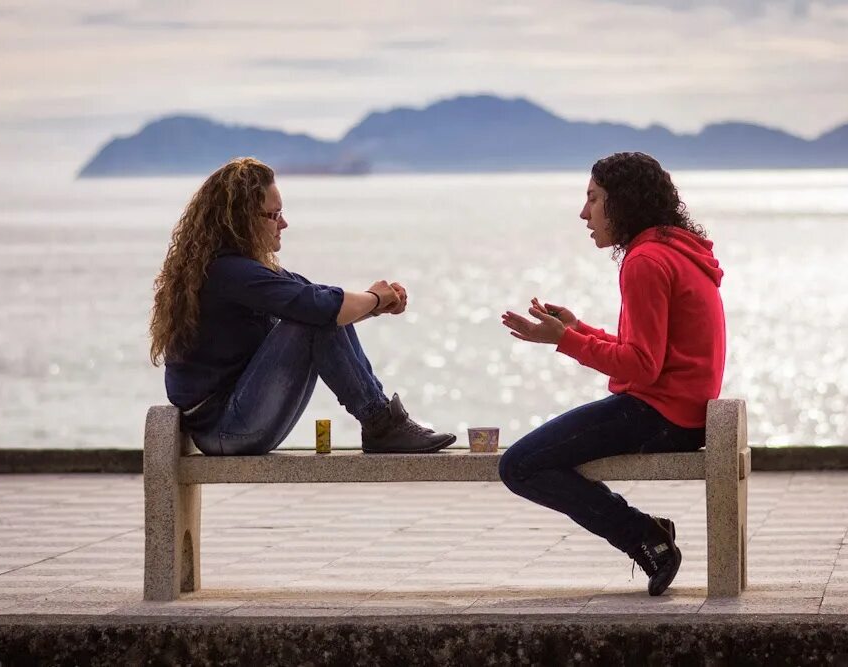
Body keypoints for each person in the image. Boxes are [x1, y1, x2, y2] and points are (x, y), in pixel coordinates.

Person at [499, 152, 725, 596]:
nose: (585, 213)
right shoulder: (672, 249)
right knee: (529, 460)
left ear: (622, 202)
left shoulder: (644, 262)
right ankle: (646, 532)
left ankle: (644, 536)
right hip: (682, 411)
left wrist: (562, 340)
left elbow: (642, 365)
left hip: (660, 415)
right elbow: (646, 352)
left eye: (594, 199)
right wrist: (577, 329)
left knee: (519, 465)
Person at [149, 157, 456, 455]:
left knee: (319, 311)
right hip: (225, 429)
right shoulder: (229, 273)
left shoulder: (237, 270)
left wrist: (376, 304)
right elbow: (318, 308)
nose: (283, 223)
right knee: (315, 316)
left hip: (232, 422)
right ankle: (381, 423)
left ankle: (382, 422)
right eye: (273, 214)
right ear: (240, 220)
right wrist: (375, 298)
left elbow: (316, 297)